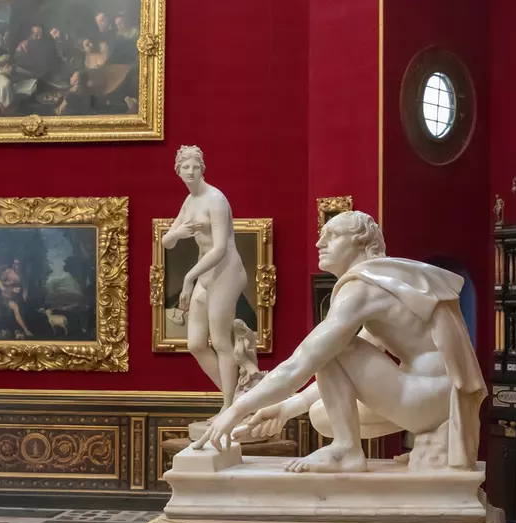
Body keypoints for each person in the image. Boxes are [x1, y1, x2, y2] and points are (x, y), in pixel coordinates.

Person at [194, 211, 485, 474]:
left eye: (332, 236)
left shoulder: (361, 289)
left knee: (332, 347)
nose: (320, 242)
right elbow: (350, 367)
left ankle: (346, 449)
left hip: (429, 396)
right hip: (440, 399)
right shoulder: (385, 283)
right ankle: (415, 439)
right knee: (321, 416)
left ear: (360, 244)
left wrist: (234, 410)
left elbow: (307, 359)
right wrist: (286, 408)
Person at [164, 145, 245, 414]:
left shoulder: (216, 199)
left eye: (195, 167)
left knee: (221, 341)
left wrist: (188, 278)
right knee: (196, 344)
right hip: (206, 272)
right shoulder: (189, 202)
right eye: (185, 167)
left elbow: (220, 248)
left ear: (202, 169)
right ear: (177, 171)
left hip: (226, 270)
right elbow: (167, 241)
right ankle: (239, 401)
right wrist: (180, 232)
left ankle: (228, 407)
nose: (190, 171)